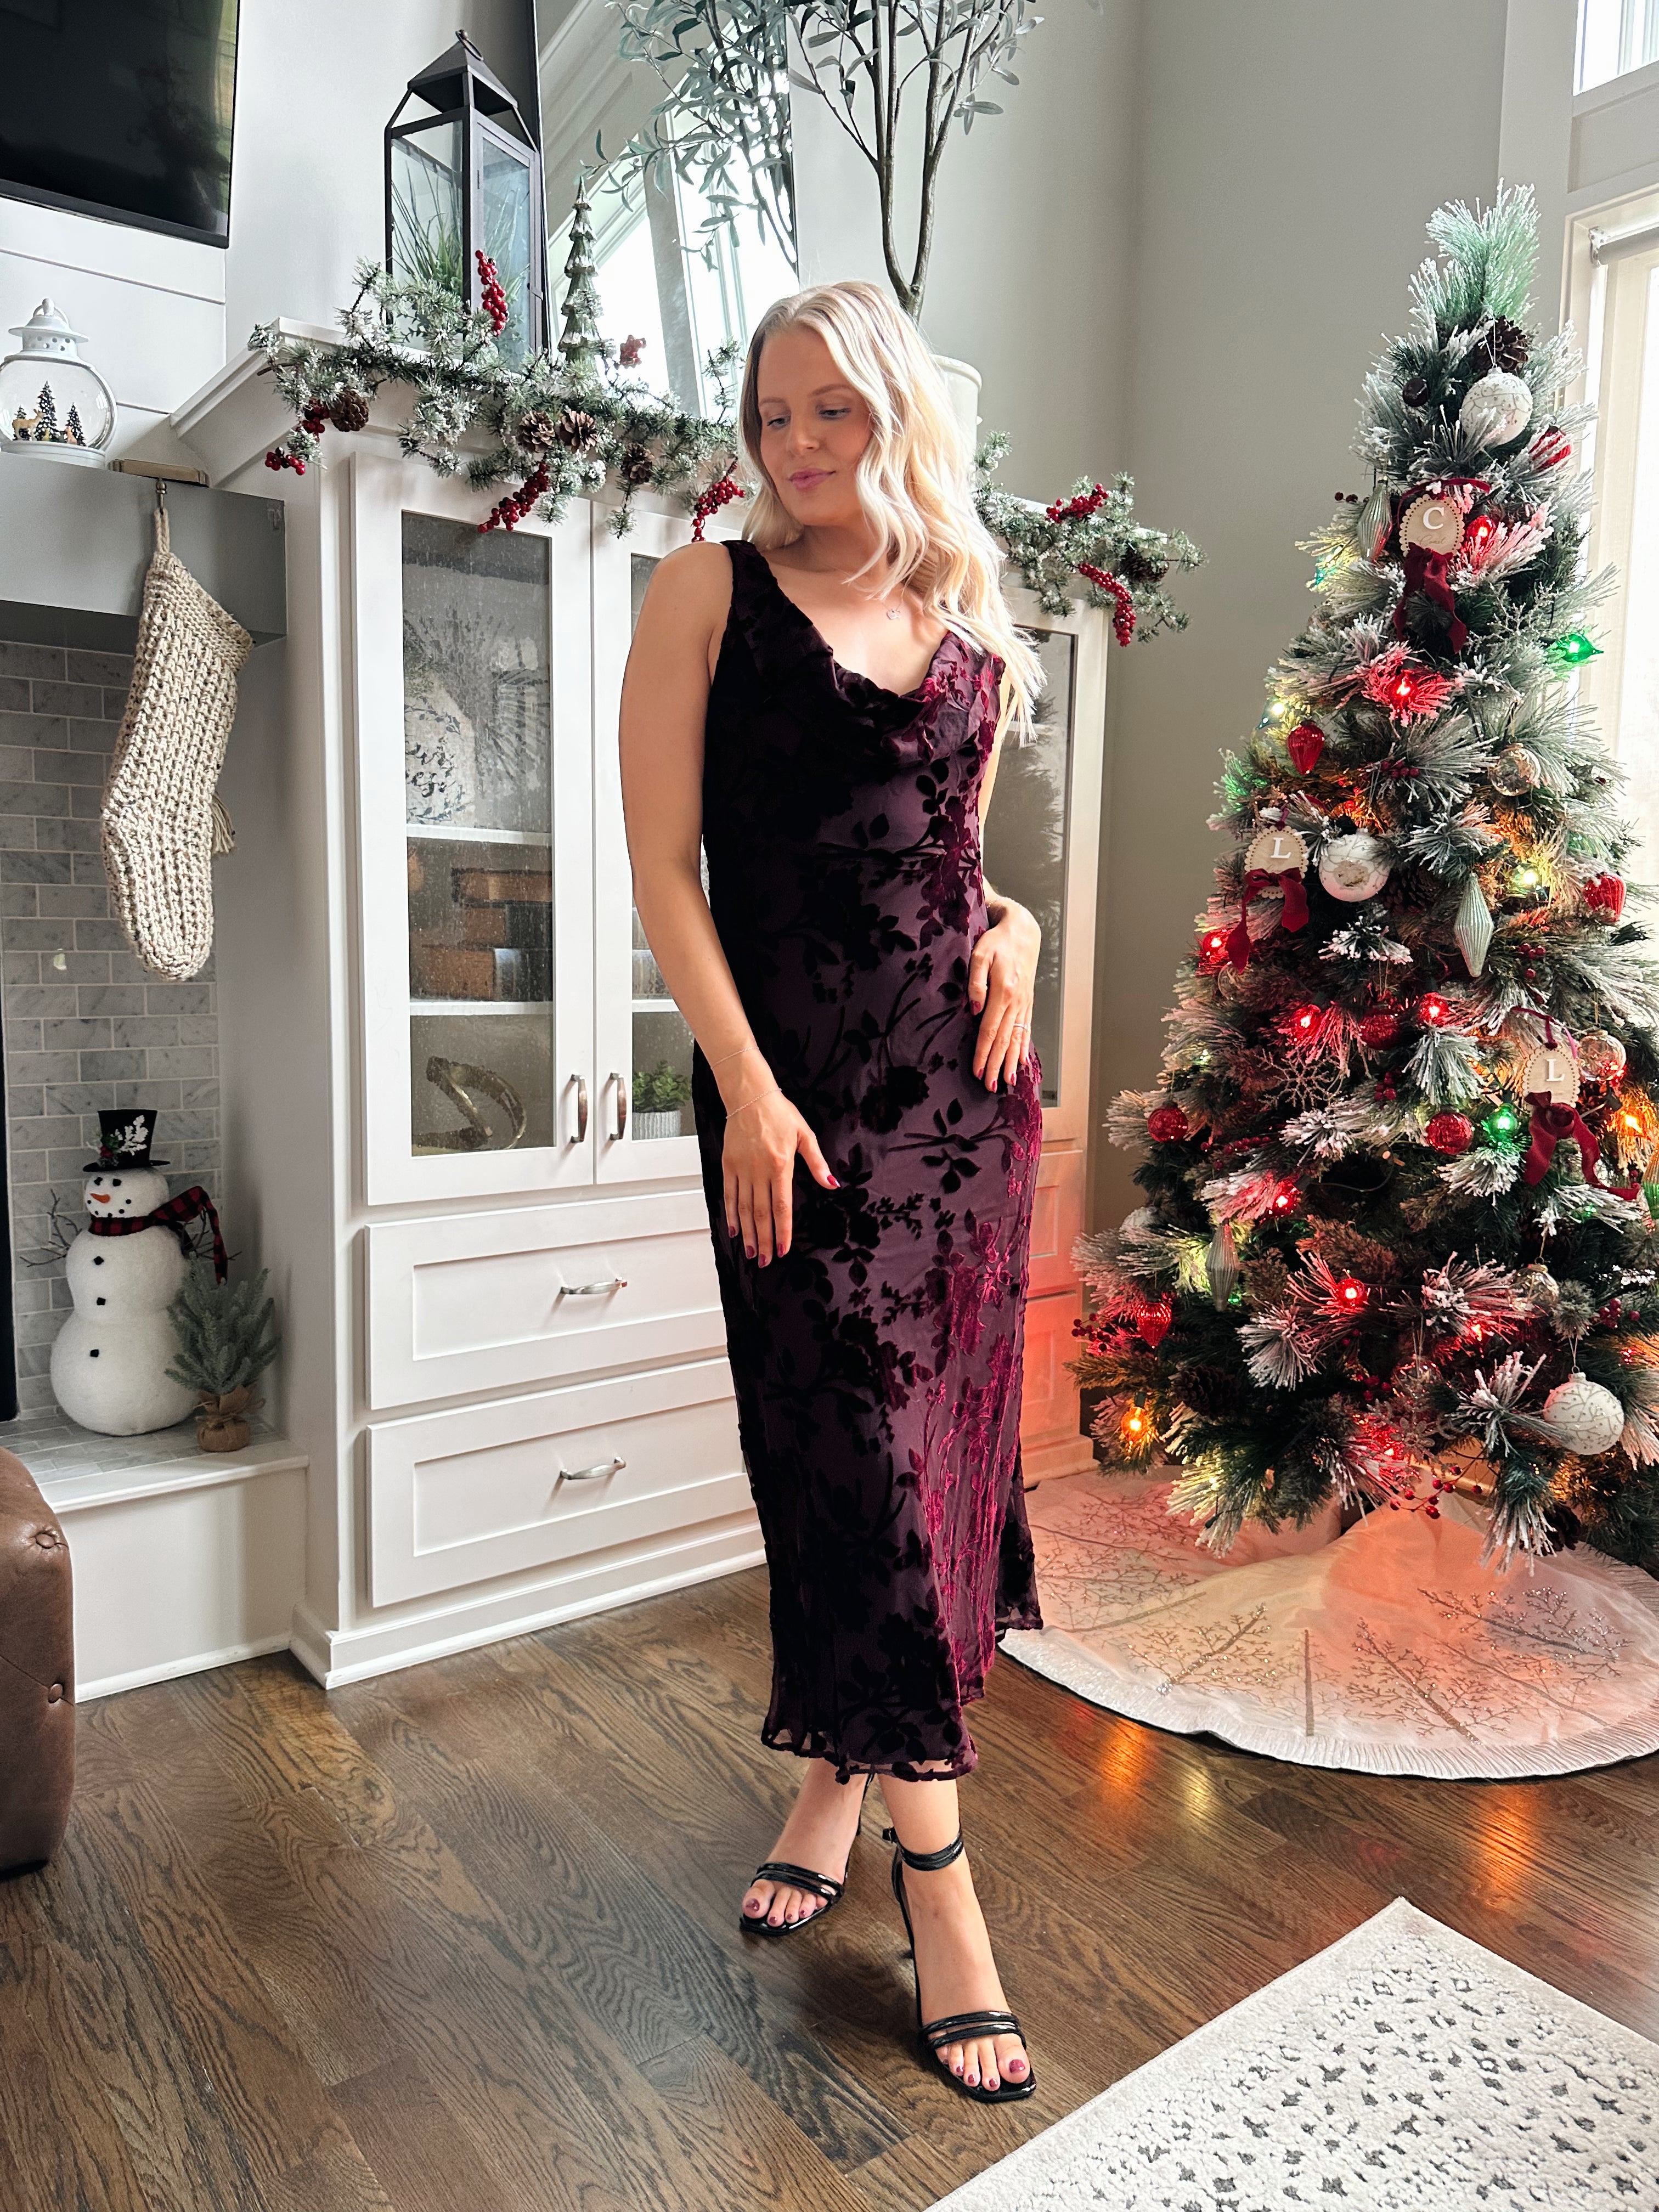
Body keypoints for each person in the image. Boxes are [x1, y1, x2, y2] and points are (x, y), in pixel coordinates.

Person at [619, 279, 1047, 2105]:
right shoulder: (707, 592)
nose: (796, 447)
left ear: (892, 413)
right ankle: (943, 1890)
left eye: (831, 413)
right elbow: (662, 867)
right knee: (836, 1460)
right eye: (772, 415)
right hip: (789, 1121)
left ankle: (842, 1782)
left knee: (924, 1478)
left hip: (965, 1123)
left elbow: (959, 869)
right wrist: (740, 1085)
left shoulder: (973, 633)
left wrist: (1020, 923)